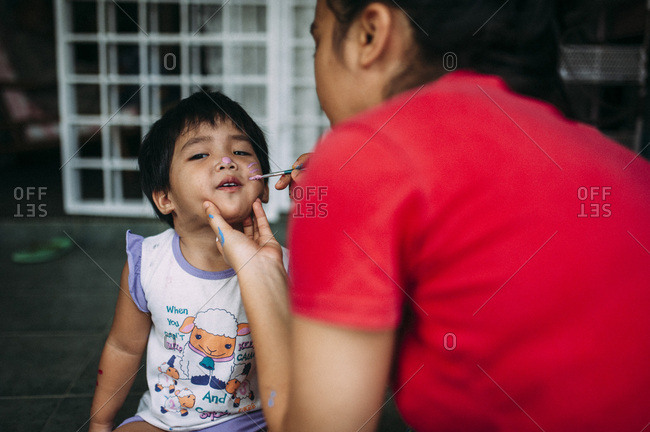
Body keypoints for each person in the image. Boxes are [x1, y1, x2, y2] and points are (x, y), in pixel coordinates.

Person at [204, 1, 650, 431]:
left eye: (318, 41)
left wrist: (259, 270)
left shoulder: (365, 157)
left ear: (370, 33)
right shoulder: (614, 161)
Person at [88, 91, 288, 432]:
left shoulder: (282, 265)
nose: (227, 161)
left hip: (256, 420)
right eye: (199, 154)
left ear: (265, 188)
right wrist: (101, 423)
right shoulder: (147, 263)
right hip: (166, 421)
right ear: (166, 198)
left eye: (241, 151)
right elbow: (123, 347)